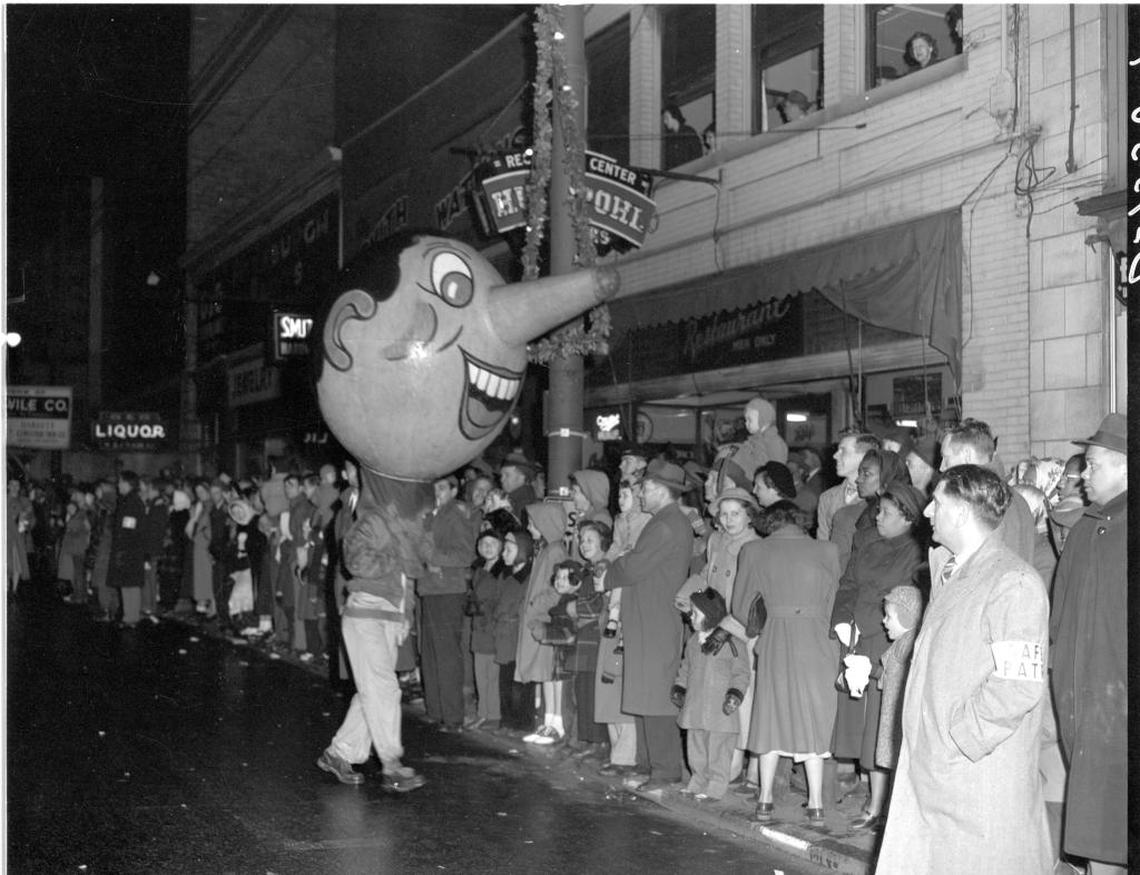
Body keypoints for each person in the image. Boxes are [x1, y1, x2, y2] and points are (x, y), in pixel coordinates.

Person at [876, 465, 1051, 872]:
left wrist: (958, 740)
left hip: (973, 779)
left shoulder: (1014, 582)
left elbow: (1017, 687)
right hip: (939, 775)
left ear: (960, 512)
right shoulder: (950, 572)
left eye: (936, 502)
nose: (926, 513)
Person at [1050, 414, 1127, 874]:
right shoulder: (1082, 531)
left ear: (1123, 466)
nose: (1083, 476)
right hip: (1084, 709)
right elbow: (1060, 617)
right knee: (1098, 830)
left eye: (1093, 465)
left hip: (1116, 711)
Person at [733, 500, 840, 825]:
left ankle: (764, 800)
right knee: (812, 716)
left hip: (777, 637)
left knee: (770, 715)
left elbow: (740, 607)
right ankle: (816, 804)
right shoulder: (828, 550)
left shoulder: (753, 551)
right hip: (818, 639)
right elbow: (837, 602)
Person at [829, 482, 927, 830]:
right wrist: (842, 621)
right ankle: (872, 796)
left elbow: (907, 602)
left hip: (888, 641)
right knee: (860, 724)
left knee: (881, 725)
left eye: (885, 511)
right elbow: (848, 583)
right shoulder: (869, 544)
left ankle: (879, 806)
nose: (877, 516)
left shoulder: (917, 552)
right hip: (856, 638)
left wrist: (873, 628)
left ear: (907, 516)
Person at [593, 459, 695, 791]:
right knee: (645, 692)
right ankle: (652, 765)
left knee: (655, 696)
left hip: (655, 620)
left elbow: (636, 566)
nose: (641, 495)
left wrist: (609, 574)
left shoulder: (666, 525)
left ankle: (665, 770)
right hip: (648, 617)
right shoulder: (663, 522)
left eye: (647, 488)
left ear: (664, 491)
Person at [316, 495, 429, 792]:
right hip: (365, 613)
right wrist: (396, 557)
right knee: (384, 687)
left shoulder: (412, 523)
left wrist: (406, 614)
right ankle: (391, 763)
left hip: (390, 617)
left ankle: (339, 753)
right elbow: (355, 560)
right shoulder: (376, 519)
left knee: (372, 691)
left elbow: (410, 578)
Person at [672, 588, 751, 801]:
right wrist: (680, 687)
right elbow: (686, 667)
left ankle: (716, 786)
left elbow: (741, 672)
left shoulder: (732, 643)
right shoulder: (693, 641)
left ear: (711, 615)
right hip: (695, 707)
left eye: (696, 613)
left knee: (718, 751)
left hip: (720, 711)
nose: (691, 616)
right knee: (696, 749)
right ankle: (697, 780)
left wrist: (735, 694)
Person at [419, 473, 475, 733]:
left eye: (442, 488)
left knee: (447, 653)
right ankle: (436, 709)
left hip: (448, 589)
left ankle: (453, 716)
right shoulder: (431, 515)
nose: (437, 493)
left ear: (454, 491)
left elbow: (465, 554)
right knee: (430, 651)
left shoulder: (455, 514)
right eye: (434, 489)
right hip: (430, 589)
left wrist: (434, 558)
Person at [939, 418, 1036, 565]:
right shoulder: (1013, 498)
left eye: (946, 458)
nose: (941, 467)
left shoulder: (985, 500)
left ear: (967, 454)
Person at [515, 502, 569, 743]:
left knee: (551, 673)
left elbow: (555, 588)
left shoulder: (555, 551)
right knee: (544, 673)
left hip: (548, 620)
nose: (529, 526)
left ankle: (557, 723)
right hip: (541, 618)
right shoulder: (547, 549)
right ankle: (547, 721)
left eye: (533, 522)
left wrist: (537, 606)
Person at [869, 585, 924, 796]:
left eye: (889, 616)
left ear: (906, 618)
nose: (884, 621)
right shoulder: (902, 643)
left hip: (901, 726)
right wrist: (869, 670)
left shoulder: (907, 645)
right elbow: (889, 674)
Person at [493, 529, 534, 733]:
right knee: (505, 680)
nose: (503, 554)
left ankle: (522, 722)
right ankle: (507, 718)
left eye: (508, 549)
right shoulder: (505, 575)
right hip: (504, 634)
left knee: (519, 681)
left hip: (518, 635)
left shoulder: (529, 578)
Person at [467, 528, 505, 731]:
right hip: (479, 626)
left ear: (501, 546)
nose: (487, 547)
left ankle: (494, 715)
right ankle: (483, 713)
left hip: (492, 626)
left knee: (492, 673)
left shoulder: (502, 571)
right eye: (483, 544)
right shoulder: (479, 570)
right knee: (480, 672)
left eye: (492, 543)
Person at [817, 432, 880, 541]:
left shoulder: (881, 497)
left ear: (864, 456)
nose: (835, 455)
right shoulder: (827, 498)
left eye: (843, 451)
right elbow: (823, 544)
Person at [722, 397, 788, 490]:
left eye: (750, 420)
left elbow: (777, 472)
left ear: (763, 418)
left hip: (765, 488)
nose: (746, 424)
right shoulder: (754, 441)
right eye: (745, 420)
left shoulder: (773, 442)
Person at [108, 471, 147, 627]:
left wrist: (122, 548)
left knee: (130, 584)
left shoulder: (132, 503)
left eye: (120, 482)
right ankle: (128, 615)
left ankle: (132, 616)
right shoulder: (128, 501)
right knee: (126, 584)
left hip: (129, 549)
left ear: (128, 483)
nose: (118, 485)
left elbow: (129, 527)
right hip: (128, 548)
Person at [57, 491, 90, 603]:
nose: (70, 509)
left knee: (78, 573)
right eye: (68, 508)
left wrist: (66, 526)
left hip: (77, 549)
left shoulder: (79, 516)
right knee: (78, 573)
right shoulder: (77, 516)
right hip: (76, 548)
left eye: (72, 507)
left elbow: (77, 530)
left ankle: (79, 596)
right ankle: (81, 595)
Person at [7, 478, 34, 594]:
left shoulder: (24, 502)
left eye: (16, 485)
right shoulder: (2, 500)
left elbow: (31, 521)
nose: (14, 487)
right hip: (4, 536)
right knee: (5, 562)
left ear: (19, 487)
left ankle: (14, 589)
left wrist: (25, 520)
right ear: (7, 486)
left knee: (17, 562)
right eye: (12, 485)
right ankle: (6, 586)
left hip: (17, 537)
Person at [499, 452, 537, 526]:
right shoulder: (512, 499)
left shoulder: (525, 503)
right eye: (501, 475)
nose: (501, 479)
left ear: (522, 477)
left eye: (507, 475)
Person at [661, 103, 703, 169]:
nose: (664, 121)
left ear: (674, 116)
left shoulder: (689, 132)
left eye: (666, 118)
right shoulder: (669, 137)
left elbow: (697, 155)